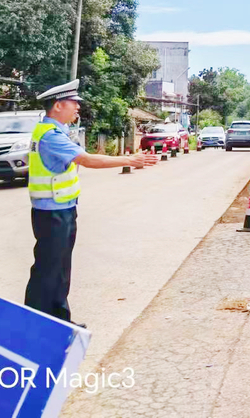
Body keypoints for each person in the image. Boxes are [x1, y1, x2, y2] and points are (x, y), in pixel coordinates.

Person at [24, 79, 158, 325]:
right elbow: (87, 160)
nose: (78, 108)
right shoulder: (51, 136)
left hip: (62, 209)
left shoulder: (54, 131)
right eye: (73, 103)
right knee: (48, 270)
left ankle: (59, 320)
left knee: (60, 270)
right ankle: (36, 323)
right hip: (52, 213)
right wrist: (129, 160)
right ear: (57, 106)